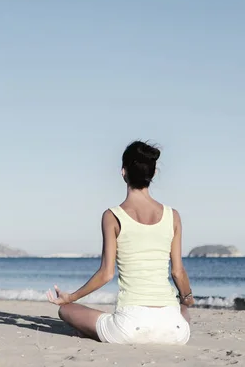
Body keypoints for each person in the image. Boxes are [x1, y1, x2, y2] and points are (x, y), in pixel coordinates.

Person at [46, 140, 195, 345]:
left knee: (66, 311)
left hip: (131, 326)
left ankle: (93, 331)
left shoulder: (112, 216)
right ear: (153, 174)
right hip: (175, 332)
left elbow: (106, 273)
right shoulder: (173, 216)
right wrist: (187, 298)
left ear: (123, 172)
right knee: (183, 309)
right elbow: (178, 272)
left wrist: (70, 297)